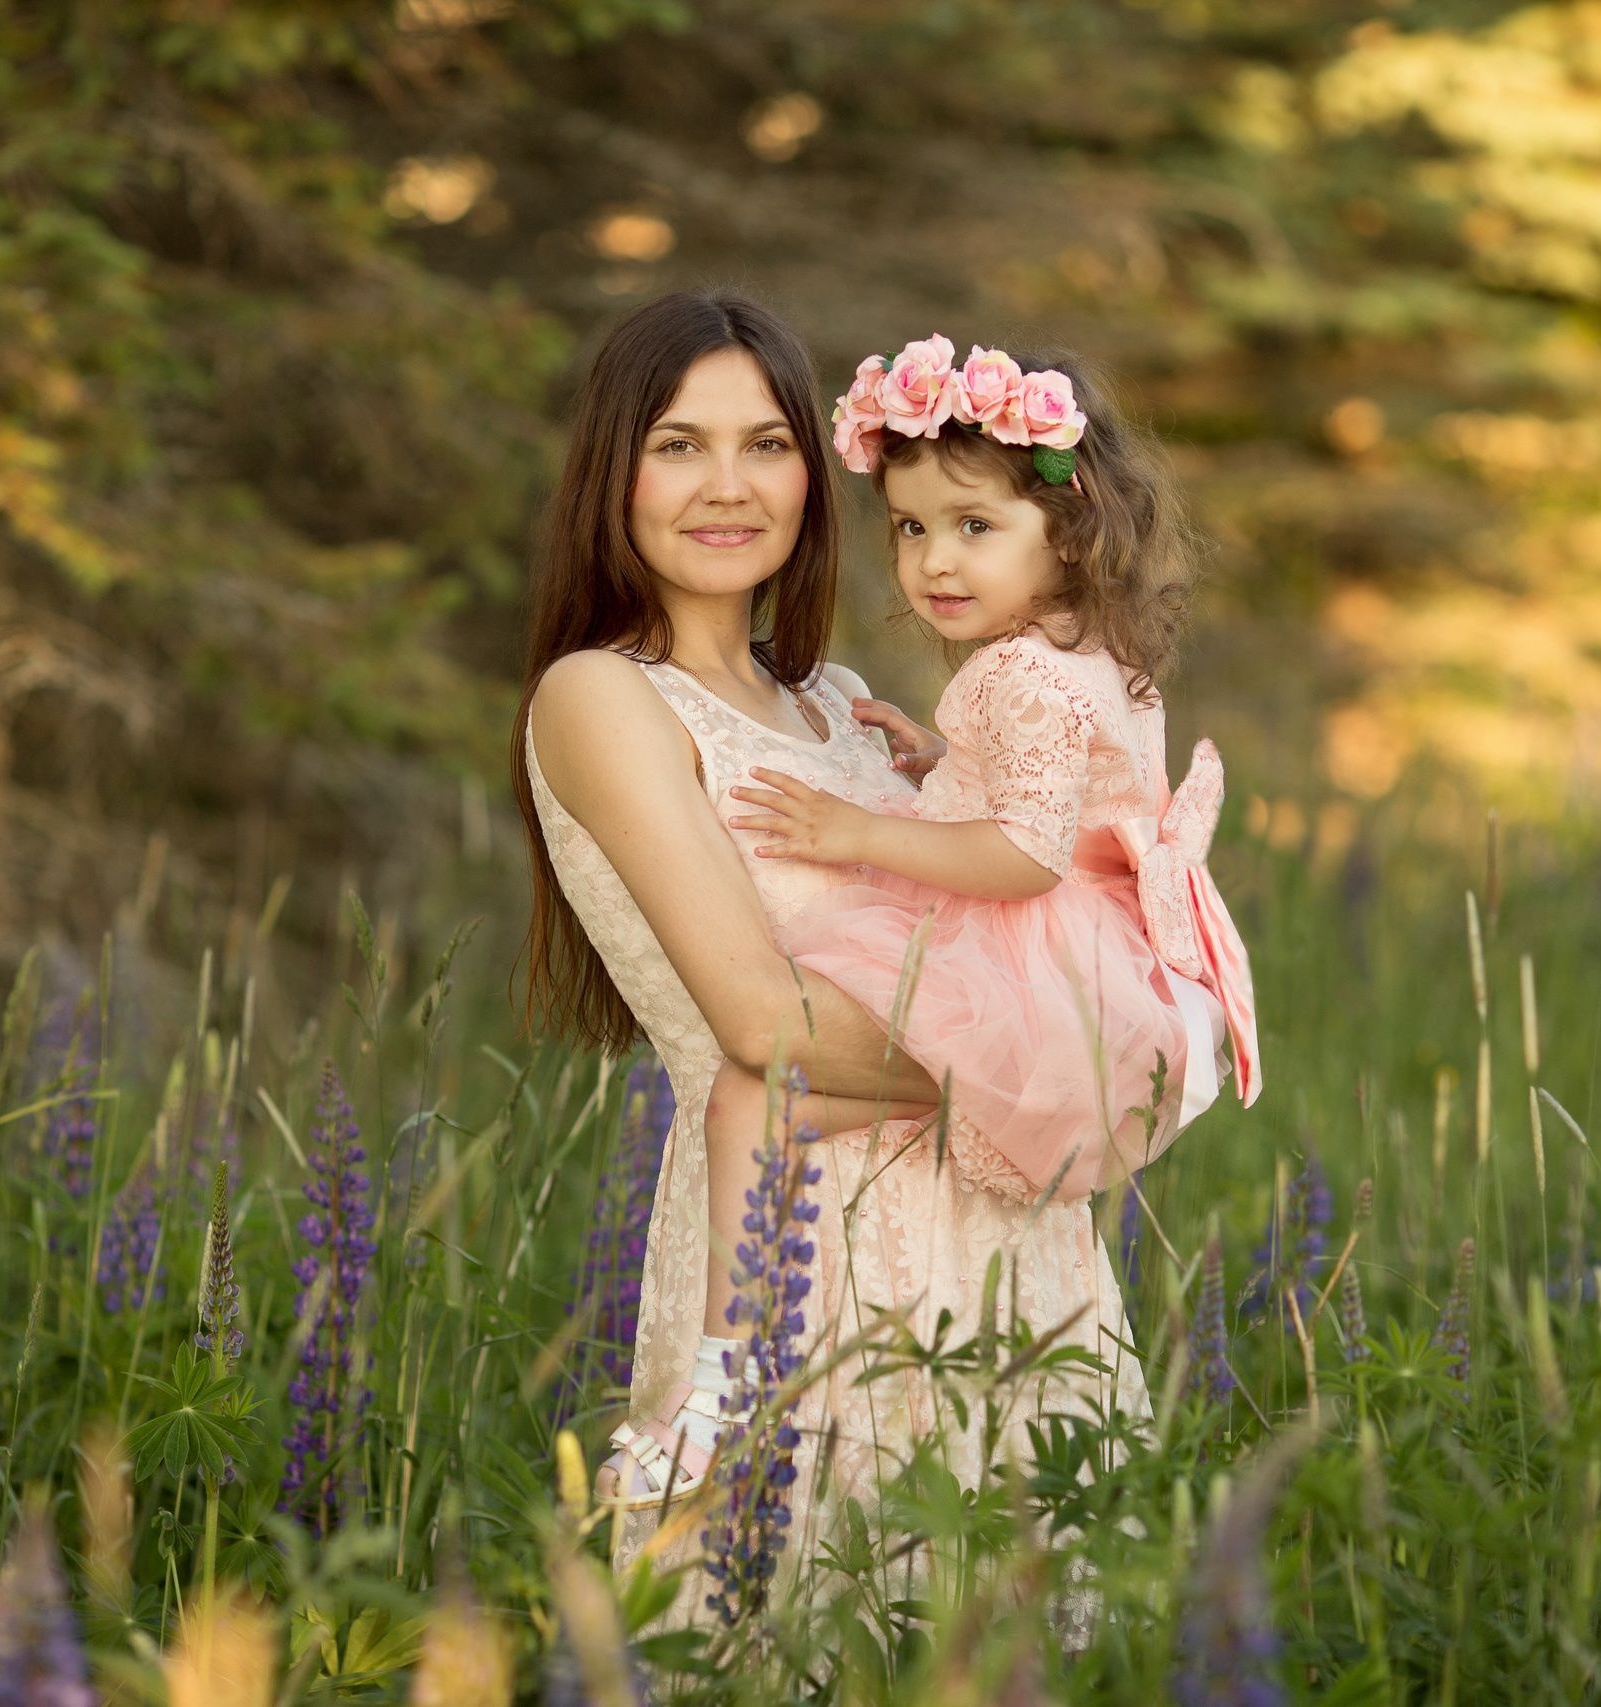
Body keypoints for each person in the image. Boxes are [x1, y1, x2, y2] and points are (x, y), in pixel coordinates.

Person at [514, 295, 1151, 1567]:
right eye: (679, 444)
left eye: (766, 444)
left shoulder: (843, 706)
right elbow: (762, 1025)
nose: (727, 485)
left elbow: (1005, 906)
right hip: (797, 1273)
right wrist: (1062, 1062)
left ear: (812, 471)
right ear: (612, 472)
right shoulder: (603, 699)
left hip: (1016, 1263)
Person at [715, 334, 1260, 1224]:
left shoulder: (1021, 675)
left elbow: (1027, 856)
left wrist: (855, 832)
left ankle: (728, 1344)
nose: (935, 560)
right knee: (813, 1103)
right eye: (911, 527)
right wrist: (950, 761)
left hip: (1025, 953)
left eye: (975, 526)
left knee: (761, 1098)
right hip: (1100, 956)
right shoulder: (1094, 653)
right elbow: (1074, 796)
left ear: (1073, 537)